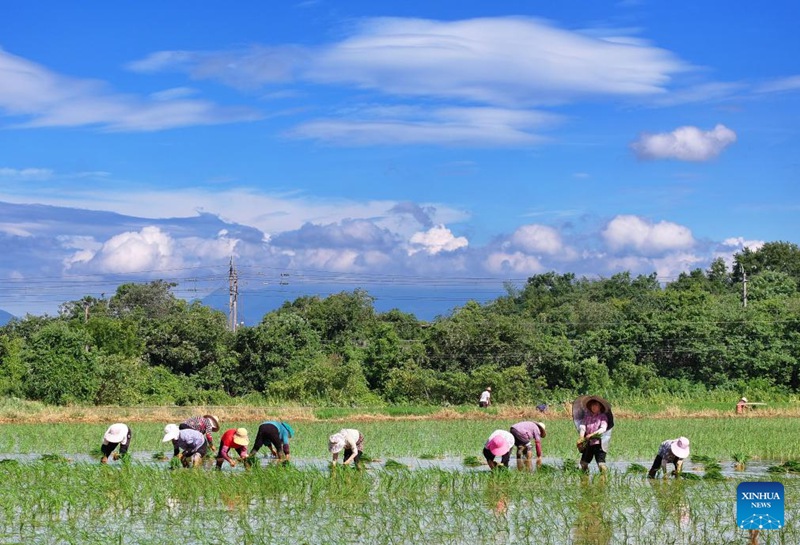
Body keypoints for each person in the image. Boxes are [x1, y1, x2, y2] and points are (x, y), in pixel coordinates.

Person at [577, 396, 610, 473]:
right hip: (589, 443)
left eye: (596, 405)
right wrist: (581, 437)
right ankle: (585, 479)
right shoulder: (587, 416)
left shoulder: (603, 417)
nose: (594, 407)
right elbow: (583, 426)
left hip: (600, 444)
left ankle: (604, 479)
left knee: (601, 464)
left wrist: (592, 434)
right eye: (592, 405)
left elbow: (603, 429)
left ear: (600, 407)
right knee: (583, 464)